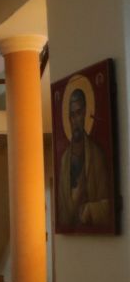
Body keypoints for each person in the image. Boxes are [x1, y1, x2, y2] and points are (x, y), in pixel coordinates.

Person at [57, 88, 110, 229]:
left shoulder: (96, 155)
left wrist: (90, 209)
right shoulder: (64, 160)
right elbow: (62, 213)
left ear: (85, 113)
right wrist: (74, 201)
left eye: (78, 113)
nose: (75, 120)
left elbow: (108, 205)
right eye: (72, 115)